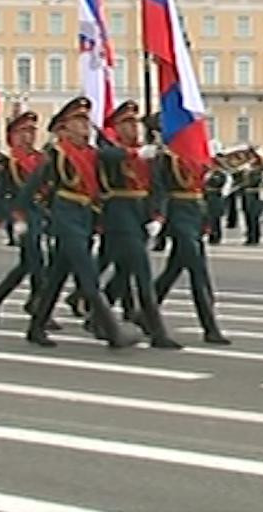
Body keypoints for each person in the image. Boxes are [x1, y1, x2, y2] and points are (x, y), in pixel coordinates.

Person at [14, 97, 139, 349]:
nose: (84, 125)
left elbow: (113, 157)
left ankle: (36, 327)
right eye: (78, 120)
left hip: (85, 217)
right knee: (88, 274)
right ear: (63, 128)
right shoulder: (56, 154)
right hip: (65, 215)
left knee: (57, 277)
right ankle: (112, 331)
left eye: (85, 120)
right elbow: (30, 189)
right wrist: (22, 217)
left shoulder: (91, 153)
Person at [97, 100, 182, 349]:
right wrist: (135, 153)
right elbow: (102, 156)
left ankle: (96, 317)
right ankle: (157, 332)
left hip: (139, 216)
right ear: (115, 128)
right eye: (126, 123)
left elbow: (157, 187)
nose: (132, 128)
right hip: (118, 215)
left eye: (134, 122)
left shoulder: (146, 154)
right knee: (142, 273)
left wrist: (157, 216)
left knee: (123, 271)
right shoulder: (111, 150)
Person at [151, 144, 231, 345]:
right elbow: (158, 188)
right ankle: (210, 327)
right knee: (198, 271)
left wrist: (205, 220)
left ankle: (144, 311)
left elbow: (200, 190)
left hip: (194, 213)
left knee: (172, 271)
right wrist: (159, 216)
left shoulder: (194, 156)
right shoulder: (166, 158)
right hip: (177, 215)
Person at [0, 111, 50, 326]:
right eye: (22, 131)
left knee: (27, 263)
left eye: (31, 131)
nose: (27, 136)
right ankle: (38, 305)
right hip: (22, 216)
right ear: (12, 135)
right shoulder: (10, 162)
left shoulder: (41, 159)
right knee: (36, 261)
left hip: (42, 213)